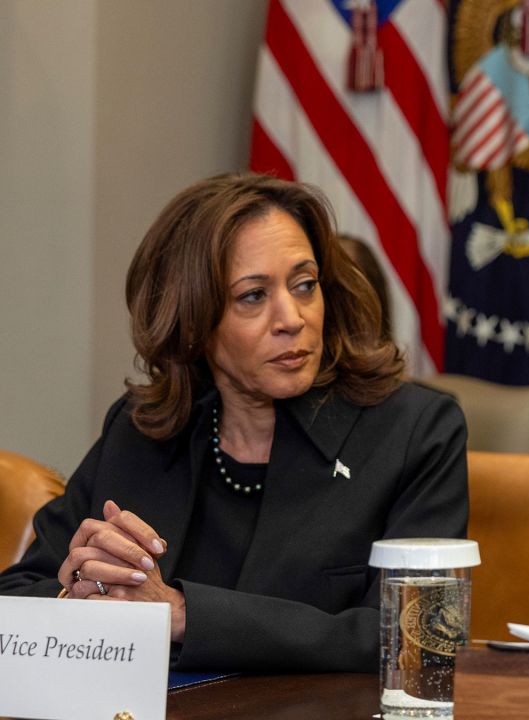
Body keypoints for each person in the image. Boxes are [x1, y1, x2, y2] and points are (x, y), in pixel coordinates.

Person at [0, 173, 468, 673]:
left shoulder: (417, 430)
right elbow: (19, 596)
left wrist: (180, 615)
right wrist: (85, 598)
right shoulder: (144, 429)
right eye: (252, 296)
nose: (292, 317)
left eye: (305, 285)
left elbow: (421, 640)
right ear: (193, 320)